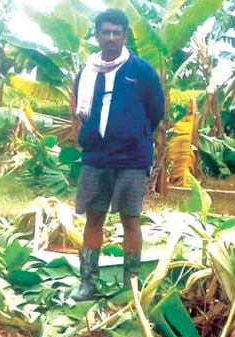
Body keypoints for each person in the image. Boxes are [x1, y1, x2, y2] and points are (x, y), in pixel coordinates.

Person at [71, 8, 165, 301]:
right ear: (97, 34)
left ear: (125, 36)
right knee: (93, 219)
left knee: (131, 221)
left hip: (131, 160)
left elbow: (156, 112)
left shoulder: (142, 72)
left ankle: (131, 285)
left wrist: (133, 135)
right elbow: (80, 110)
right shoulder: (86, 73)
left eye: (117, 33)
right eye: (106, 32)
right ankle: (88, 283)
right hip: (96, 158)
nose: (111, 38)